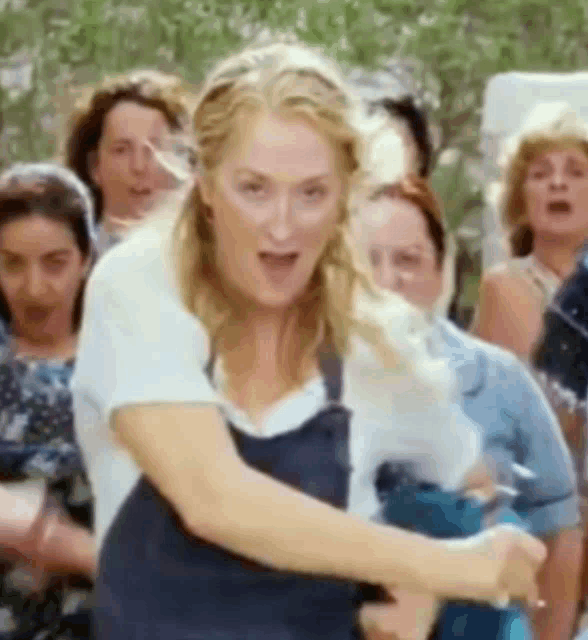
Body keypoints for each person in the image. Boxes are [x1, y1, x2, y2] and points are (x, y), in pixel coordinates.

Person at [72, 39, 546, 640]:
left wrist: (429, 587)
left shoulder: (378, 341)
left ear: (347, 194)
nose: (281, 224)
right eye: (254, 188)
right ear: (204, 184)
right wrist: (439, 565)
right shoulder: (139, 286)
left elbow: (473, 485)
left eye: (312, 193)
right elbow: (213, 498)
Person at [355, 174, 582, 640]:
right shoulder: (302, 380)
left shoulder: (499, 378)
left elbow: (557, 527)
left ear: (442, 271)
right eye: (366, 260)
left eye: (408, 260)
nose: (386, 280)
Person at [0, 163, 96, 640]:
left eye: (55, 263)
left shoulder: (127, 361)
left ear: (87, 258)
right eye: (12, 263)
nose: (34, 288)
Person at [474, 101, 588, 360]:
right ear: (520, 201)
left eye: (576, 172)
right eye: (541, 174)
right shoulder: (505, 286)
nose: (558, 183)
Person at [62, 69, 193, 254]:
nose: (138, 166)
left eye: (154, 150)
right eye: (121, 150)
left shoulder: (203, 265)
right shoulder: (70, 265)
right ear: (94, 166)